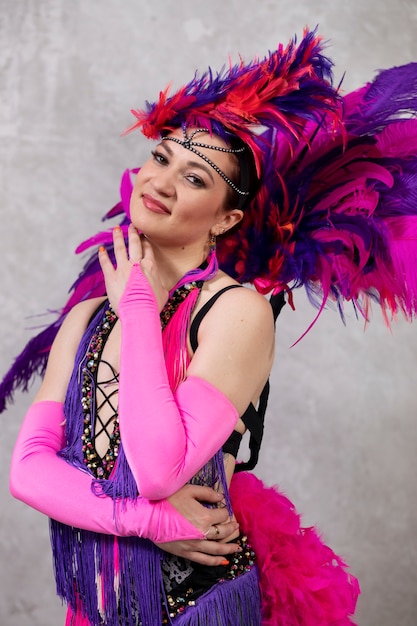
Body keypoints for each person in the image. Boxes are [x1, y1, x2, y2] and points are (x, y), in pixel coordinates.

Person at [4, 28, 417, 626]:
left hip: (194, 609)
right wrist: (146, 522)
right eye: (161, 156)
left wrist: (142, 311)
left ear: (227, 217)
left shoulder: (237, 312)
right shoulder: (88, 317)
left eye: (195, 178)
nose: (163, 182)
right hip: (99, 608)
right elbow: (27, 471)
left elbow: (158, 469)